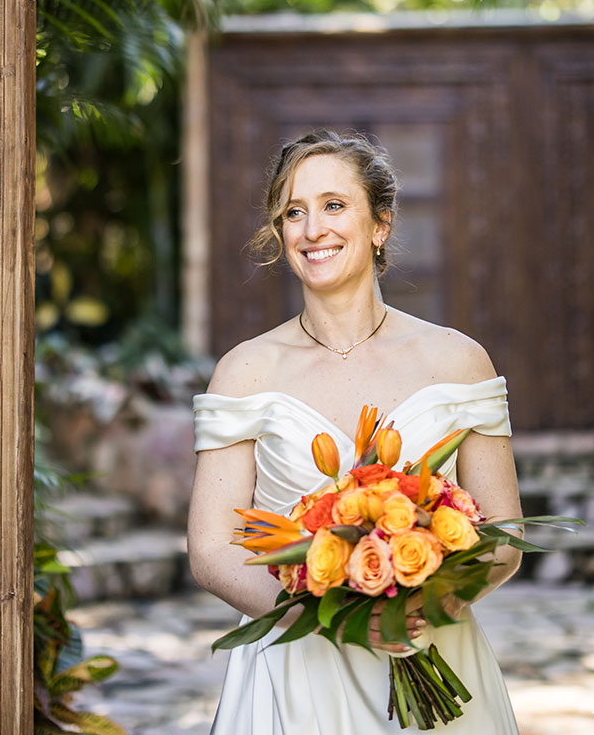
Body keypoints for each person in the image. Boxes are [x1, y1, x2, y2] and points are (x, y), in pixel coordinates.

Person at [187, 129, 523, 733]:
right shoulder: (243, 372)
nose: (313, 229)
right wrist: (329, 615)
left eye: (334, 205)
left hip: (433, 649)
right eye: (294, 211)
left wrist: (431, 601)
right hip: (292, 671)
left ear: (380, 225)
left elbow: (505, 532)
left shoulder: (458, 360)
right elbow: (213, 549)